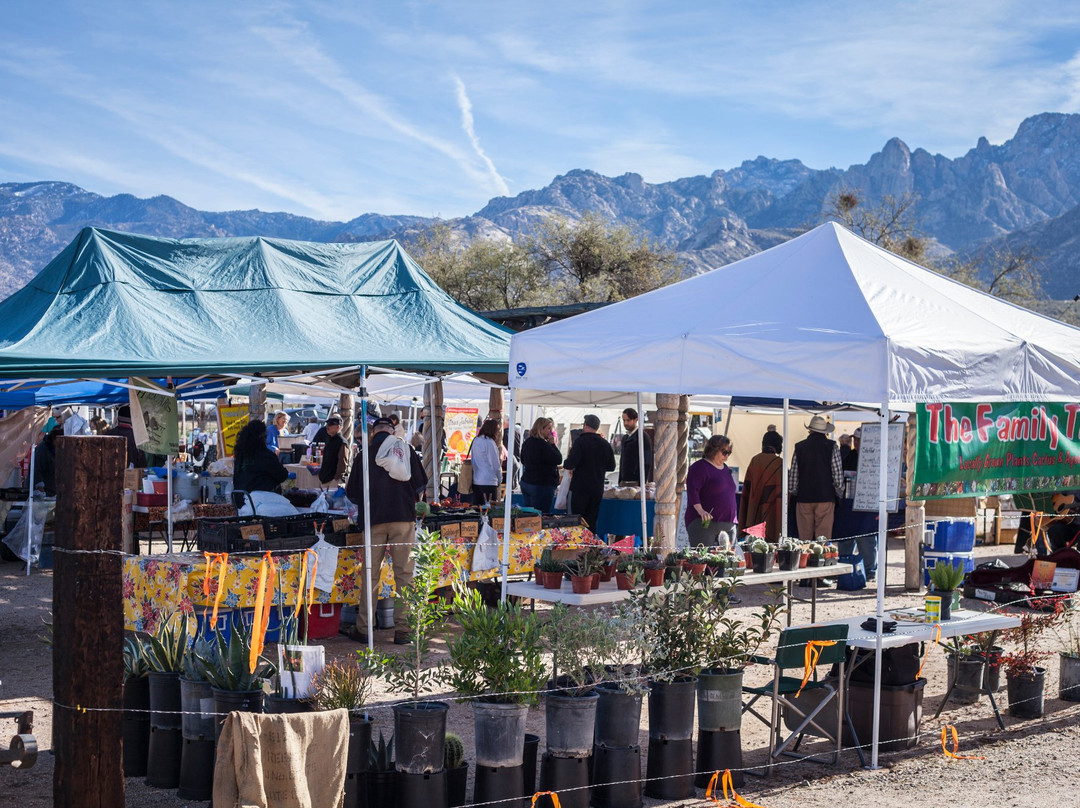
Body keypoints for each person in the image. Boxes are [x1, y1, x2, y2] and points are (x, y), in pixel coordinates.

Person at [345, 416, 428, 644]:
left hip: (373, 520)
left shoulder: (363, 456)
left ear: (373, 433)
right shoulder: (405, 449)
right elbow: (421, 484)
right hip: (402, 517)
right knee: (405, 574)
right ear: (392, 432)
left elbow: (351, 494)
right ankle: (404, 629)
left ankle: (364, 628)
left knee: (370, 574)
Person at [788, 415, 843, 544]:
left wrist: (795, 492)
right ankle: (820, 561)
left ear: (810, 430)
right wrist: (837, 493)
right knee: (822, 540)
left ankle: (805, 562)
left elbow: (793, 480)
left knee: (805, 540)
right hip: (825, 497)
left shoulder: (799, 447)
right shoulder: (832, 446)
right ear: (825, 432)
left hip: (804, 498)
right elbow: (838, 476)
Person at [563, 414, 615, 533]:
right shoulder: (605, 444)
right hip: (596, 488)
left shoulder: (580, 442)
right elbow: (611, 466)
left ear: (585, 425)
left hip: (580, 488)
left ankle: (577, 549)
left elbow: (570, 464)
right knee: (591, 522)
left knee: (577, 521)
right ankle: (590, 548)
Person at [685, 434, 738, 548]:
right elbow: (693, 491)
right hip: (704, 524)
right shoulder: (699, 467)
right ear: (714, 450)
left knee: (728, 561)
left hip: (728, 524)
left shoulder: (726, 469)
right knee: (704, 560)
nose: (727, 456)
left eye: (729, 452)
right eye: (724, 452)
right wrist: (701, 511)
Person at [738, 430, 784, 542]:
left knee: (756, 547)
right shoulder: (780, 463)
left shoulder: (755, 461)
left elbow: (747, 488)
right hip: (775, 511)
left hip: (755, 510)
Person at [232, 419, 289, 494]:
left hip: (239, 499)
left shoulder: (240, 456)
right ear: (262, 437)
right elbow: (282, 475)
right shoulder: (266, 456)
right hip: (261, 501)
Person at [520, 417, 562, 513]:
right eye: (548, 428)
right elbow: (558, 459)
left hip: (527, 481)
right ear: (541, 429)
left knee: (529, 514)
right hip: (541, 484)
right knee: (540, 515)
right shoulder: (543, 445)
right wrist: (552, 444)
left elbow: (522, 460)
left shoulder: (527, 442)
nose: (550, 432)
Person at [470, 419, 504, 506]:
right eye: (497, 430)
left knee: (478, 509)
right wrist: (500, 479)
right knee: (489, 510)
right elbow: (495, 464)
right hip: (488, 481)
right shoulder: (489, 443)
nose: (498, 432)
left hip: (476, 480)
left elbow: (473, 459)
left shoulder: (476, 440)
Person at [618, 407, 654, 485]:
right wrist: (620, 480)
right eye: (624, 420)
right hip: (624, 481)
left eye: (628, 420)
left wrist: (641, 482)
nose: (625, 423)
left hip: (636, 481)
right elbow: (622, 461)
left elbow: (647, 461)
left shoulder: (643, 437)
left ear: (635, 420)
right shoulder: (625, 437)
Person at [317, 416, 348, 487]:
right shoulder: (330, 440)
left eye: (331, 424)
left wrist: (336, 479)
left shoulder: (341, 441)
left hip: (333, 480)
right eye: (327, 424)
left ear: (338, 427)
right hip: (326, 478)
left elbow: (342, 462)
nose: (327, 426)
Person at [33, 426, 62, 496]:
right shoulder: (42, 448)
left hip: (52, 491)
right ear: (55, 438)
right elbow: (36, 469)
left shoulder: (58, 449)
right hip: (42, 491)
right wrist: (40, 488)